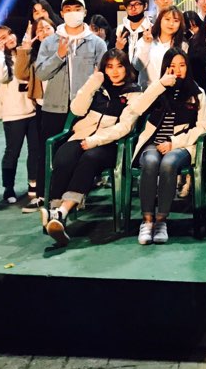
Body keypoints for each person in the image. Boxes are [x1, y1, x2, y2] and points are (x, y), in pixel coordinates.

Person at [41, 49, 143, 246]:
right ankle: (56, 212)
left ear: (126, 68)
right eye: (110, 67)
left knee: (90, 158)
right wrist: (93, 82)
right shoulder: (98, 86)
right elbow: (77, 109)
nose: (115, 71)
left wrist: (96, 140)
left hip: (110, 144)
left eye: (119, 66)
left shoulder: (134, 92)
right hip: (81, 135)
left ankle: (61, 212)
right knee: (64, 156)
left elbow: (125, 126)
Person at [32, 0, 107, 213]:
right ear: (62, 13)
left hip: (85, 109)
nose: (73, 13)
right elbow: (41, 73)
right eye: (68, 9)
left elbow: (103, 74)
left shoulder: (96, 42)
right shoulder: (50, 41)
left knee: (78, 153)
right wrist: (59, 55)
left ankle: (73, 198)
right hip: (54, 107)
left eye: (77, 8)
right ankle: (47, 196)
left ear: (84, 12)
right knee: (50, 152)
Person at [132, 49, 206, 245]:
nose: (177, 70)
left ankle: (161, 220)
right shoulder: (157, 89)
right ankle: (147, 220)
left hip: (181, 146)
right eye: (172, 66)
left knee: (168, 163)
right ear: (166, 68)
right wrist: (160, 84)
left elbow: (204, 127)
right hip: (153, 143)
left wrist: (174, 142)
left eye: (182, 65)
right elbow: (137, 108)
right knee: (150, 162)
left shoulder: (197, 92)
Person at [0, 25, 39, 204]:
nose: (9, 38)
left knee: (35, 151)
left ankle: (33, 184)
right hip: (13, 116)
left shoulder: (23, 54)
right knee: (12, 152)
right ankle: (8, 188)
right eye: (2, 38)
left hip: (32, 111)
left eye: (10, 34)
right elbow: (0, 77)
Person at [14, 17, 54, 199]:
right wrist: (25, 49)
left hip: (62, 106)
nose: (44, 32)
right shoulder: (35, 55)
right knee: (41, 149)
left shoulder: (64, 49)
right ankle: (40, 188)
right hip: (42, 107)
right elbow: (21, 74)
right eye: (40, 30)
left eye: (47, 27)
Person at [134, 6, 187, 88]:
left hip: (172, 89)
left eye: (176, 21)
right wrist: (146, 44)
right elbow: (137, 66)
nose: (171, 24)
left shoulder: (183, 45)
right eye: (167, 19)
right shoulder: (145, 40)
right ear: (160, 20)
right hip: (147, 91)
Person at [115, 0, 151, 67]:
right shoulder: (120, 30)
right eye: (129, 5)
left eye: (137, 4)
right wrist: (117, 49)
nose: (133, 8)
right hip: (126, 73)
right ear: (125, 8)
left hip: (147, 72)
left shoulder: (152, 29)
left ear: (145, 6)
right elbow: (111, 57)